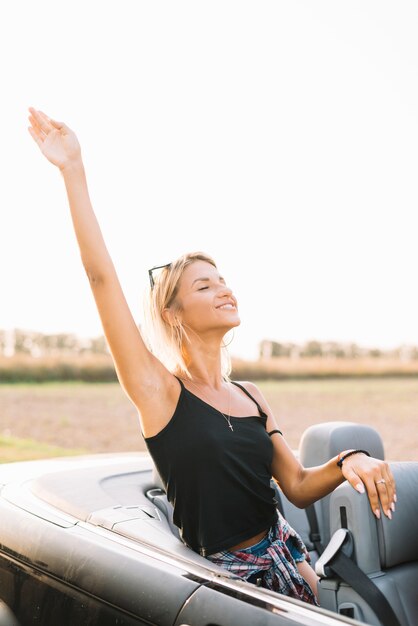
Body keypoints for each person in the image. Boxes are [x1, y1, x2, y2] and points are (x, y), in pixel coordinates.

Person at [27, 107, 396, 606]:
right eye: (205, 285)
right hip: (223, 591)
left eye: (223, 280)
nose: (225, 290)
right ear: (173, 312)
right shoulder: (158, 392)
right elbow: (101, 280)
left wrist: (350, 459)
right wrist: (73, 170)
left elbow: (299, 485)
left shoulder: (251, 395)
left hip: (290, 563)